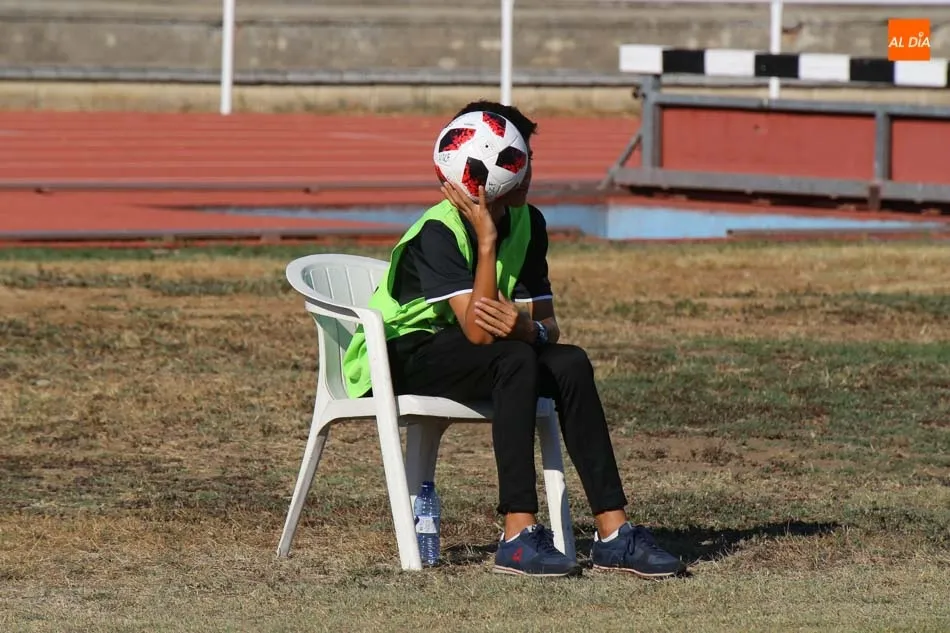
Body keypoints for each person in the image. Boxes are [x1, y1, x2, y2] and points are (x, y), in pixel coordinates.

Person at [342, 100, 687, 579]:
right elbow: (479, 331)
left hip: (470, 350)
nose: (524, 173)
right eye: (512, 161)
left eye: (525, 159)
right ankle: (518, 534)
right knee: (514, 360)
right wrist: (486, 241)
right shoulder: (439, 230)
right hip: (398, 353)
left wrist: (530, 330)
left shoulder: (528, 222)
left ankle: (614, 533)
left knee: (570, 362)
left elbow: (547, 326)